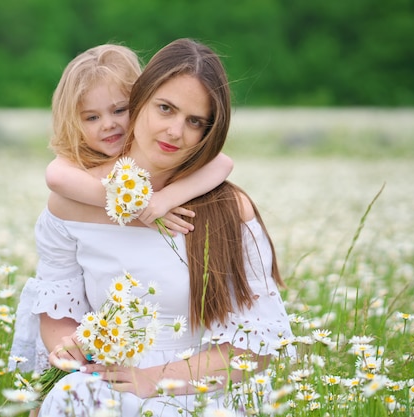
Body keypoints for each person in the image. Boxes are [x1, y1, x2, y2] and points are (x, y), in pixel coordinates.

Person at [31, 38, 295, 416]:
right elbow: (58, 313)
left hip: (199, 387)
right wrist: (68, 348)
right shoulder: (73, 203)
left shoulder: (228, 211)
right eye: (165, 109)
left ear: (209, 132)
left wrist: (153, 380)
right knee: (75, 399)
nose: (175, 132)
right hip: (104, 379)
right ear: (140, 100)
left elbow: (253, 350)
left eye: (195, 122)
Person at [9, 43, 234, 374]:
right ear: (74, 121)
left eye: (119, 110)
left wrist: (163, 201)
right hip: (94, 344)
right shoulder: (80, 167)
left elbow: (223, 163)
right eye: (92, 117)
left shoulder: (155, 157)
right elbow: (54, 176)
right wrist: (137, 208)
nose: (109, 125)